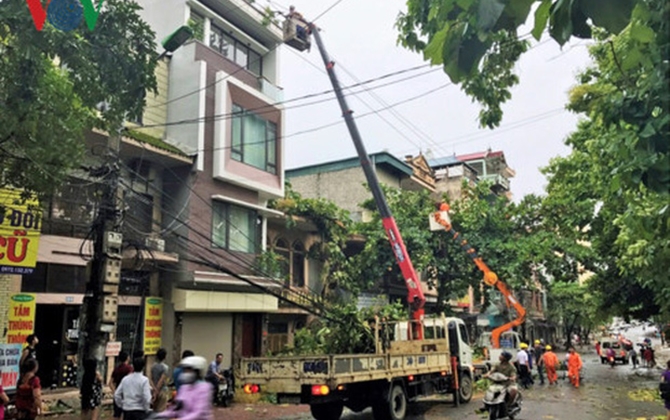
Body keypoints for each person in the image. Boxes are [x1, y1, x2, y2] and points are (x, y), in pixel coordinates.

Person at [160, 356, 214, 420]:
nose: (185, 373)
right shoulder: (184, 388)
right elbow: (177, 408)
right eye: (184, 370)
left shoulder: (204, 388)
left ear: (197, 372)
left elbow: (198, 413)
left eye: (188, 370)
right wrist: (160, 415)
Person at [109, 351, 133, 420]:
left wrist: (115, 392)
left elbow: (110, 383)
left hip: (118, 395)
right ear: (127, 358)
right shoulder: (129, 369)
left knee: (116, 415)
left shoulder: (116, 369)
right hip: (127, 395)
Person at [150, 348, 170, 412]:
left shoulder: (153, 366)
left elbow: (150, 378)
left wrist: (154, 389)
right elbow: (161, 380)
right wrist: (157, 391)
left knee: (154, 410)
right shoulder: (165, 367)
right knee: (161, 410)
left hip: (153, 390)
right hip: (162, 390)